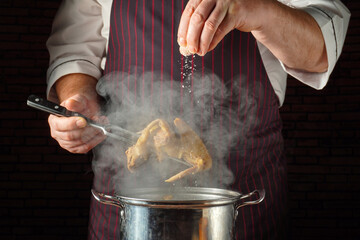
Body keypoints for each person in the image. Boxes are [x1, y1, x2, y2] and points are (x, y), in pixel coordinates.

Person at [46, 0, 350, 239]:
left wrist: (257, 10)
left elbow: (320, 50)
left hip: (245, 195)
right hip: (127, 206)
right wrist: (78, 97)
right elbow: (74, 50)